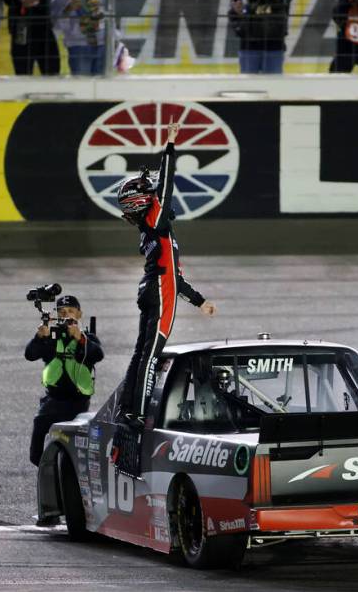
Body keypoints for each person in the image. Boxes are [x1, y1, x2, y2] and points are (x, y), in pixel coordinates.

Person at [113, 119, 217, 473]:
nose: (159, 195)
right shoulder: (156, 222)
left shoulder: (156, 230)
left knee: (143, 352)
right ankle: (138, 410)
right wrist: (171, 146)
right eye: (151, 192)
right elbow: (168, 184)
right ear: (146, 201)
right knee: (151, 354)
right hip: (160, 294)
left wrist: (200, 301)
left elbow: (177, 276)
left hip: (156, 289)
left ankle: (131, 404)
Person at [25, 294, 103, 466]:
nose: (66, 315)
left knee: (73, 445)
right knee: (39, 428)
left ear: (79, 314)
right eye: (62, 312)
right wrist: (39, 337)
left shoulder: (86, 337)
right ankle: (45, 471)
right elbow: (30, 354)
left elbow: (98, 354)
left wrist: (80, 338)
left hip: (78, 401)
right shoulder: (52, 337)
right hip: (53, 399)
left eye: (70, 311)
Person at [50, 0, 106, 75]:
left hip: (101, 43)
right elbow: (55, 26)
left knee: (103, 87)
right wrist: (68, 9)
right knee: (82, 87)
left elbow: (108, 13)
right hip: (78, 45)